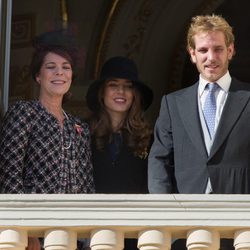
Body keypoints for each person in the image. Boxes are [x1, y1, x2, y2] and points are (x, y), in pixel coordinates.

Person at [148, 14, 250, 249]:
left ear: (231, 51)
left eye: (218, 49)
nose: (211, 58)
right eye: (203, 50)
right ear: (192, 53)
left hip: (240, 225)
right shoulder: (172, 103)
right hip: (185, 226)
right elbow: (159, 160)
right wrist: (164, 212)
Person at [0, 30, 95, 249]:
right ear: (38, 76)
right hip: (34, 233)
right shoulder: (24, 113)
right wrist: (26, 231)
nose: (59, 73)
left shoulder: (79, 127)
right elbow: (9, 176)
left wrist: (89, 234)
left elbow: (88, 187)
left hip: (73, 234)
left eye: (66, 67)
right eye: (50, 67)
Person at [86, 56, 153, 249]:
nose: (121, 91)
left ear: (135, 94)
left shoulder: (150, 139)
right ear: (102, 92)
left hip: (136, 236)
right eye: (113, 84)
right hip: (92, 234)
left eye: (128, 86)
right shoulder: (82, 134)